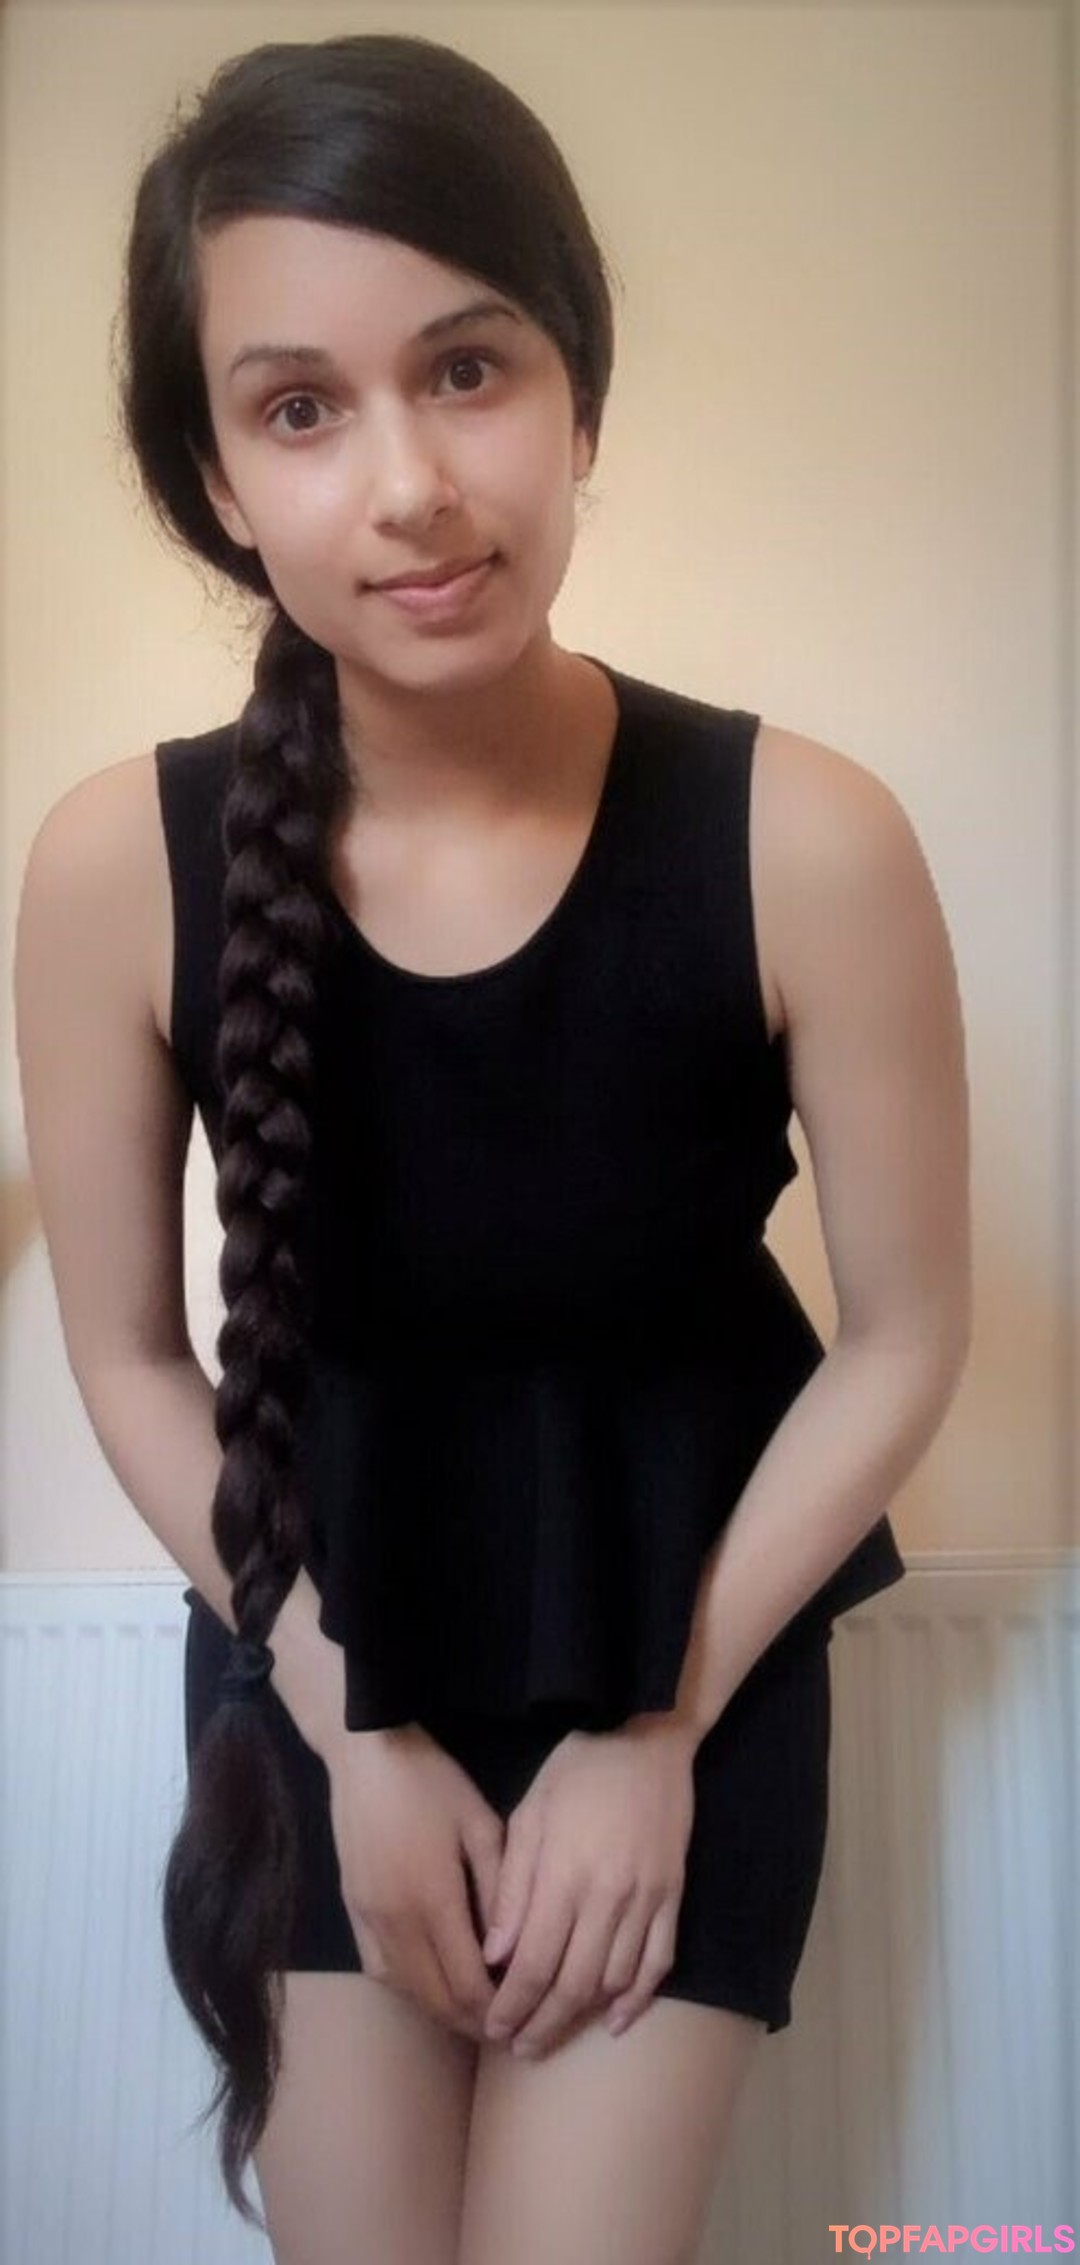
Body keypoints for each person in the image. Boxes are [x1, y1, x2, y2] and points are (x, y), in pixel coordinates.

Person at [13, 30, 972, 2265]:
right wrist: (352, 1732)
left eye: (469, 368)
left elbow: (905, 1337)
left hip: (694, 1652)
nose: (413, 485)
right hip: (314, 1649)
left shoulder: (809, 837)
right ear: (217, 480)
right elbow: (132, 1360)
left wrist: (659, 1727)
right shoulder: (110, 867)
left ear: (580, 393)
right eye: (301, 408)